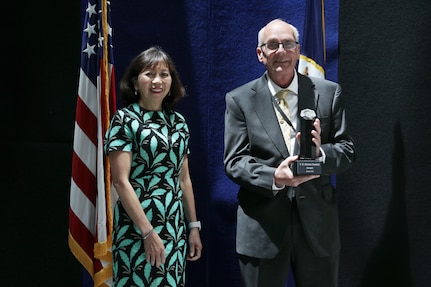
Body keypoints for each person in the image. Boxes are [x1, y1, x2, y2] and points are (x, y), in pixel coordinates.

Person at [223, 19, 355, 287]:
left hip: (317, 229)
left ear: (297, 50)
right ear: (260, 54)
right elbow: (234, 162)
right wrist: (276, 176)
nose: (281, 50)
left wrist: (320, 157)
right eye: (272, 45)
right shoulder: (239, 100)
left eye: (288, 44)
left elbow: (346, 151)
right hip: (262, 230)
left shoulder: (328, 94)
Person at [104, 46, 202, 287]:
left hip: (173, 228)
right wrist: (147, 232)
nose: (157, 80)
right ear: (136, 83)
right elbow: (120, 181)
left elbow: (184, 179)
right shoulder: (124, 120)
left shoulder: (179, 122)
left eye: (164, 74)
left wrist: (193, 226)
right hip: (136, 229)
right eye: (149, 73)